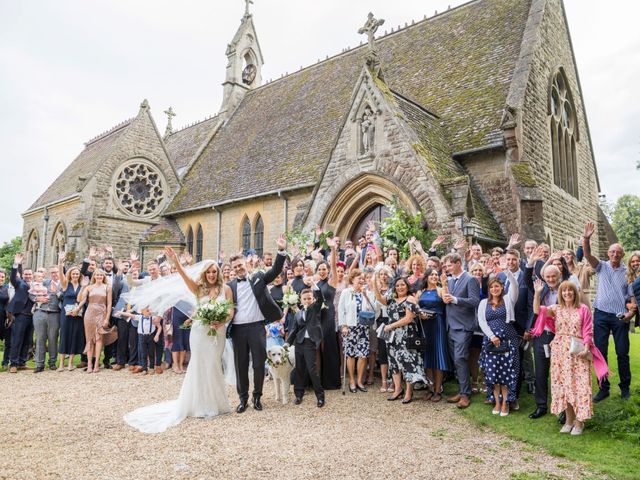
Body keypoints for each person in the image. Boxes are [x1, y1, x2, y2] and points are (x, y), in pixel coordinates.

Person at [123, 248, 234, 433]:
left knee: (214, 364)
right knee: (199, 365)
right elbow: (183, 276)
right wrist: (175, 261)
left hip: (218, 333)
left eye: (214, 271)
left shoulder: (227, 289)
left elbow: (230, 311)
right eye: (209, 272)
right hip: (199, 333)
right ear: (205, 274)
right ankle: (199, 405)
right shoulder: (199, 289)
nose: (212, 274)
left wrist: (221, 321)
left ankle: (218, 404)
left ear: (219, 273)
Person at [531, 281, 608, 435]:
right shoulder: (556, 309)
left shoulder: (583, 309)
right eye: (564, 291)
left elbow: (588, 330)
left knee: (580, 385)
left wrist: (586, 348)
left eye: (570, 290)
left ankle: (579, 423)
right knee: (564, 385)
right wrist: (538, 293)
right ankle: (568, 420)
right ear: (561, 293)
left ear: (575, 293)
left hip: (577, 350)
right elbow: (537, 311)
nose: (567, 293)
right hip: (560, 351)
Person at [228, 234, 287, 413]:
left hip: (257, 327)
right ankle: (243, 398)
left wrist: (281, 250)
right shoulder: (229, 286)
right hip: (238, 330)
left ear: (246, 263)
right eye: (235, 267)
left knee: (259, 364)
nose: (239, 268)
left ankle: (257, 396)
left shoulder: (258, 277)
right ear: (232, 269)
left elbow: (276, 270)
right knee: (241, 365)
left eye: (240, 265)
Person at [582, 221, 630, 401]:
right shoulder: (601, 266)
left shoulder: (627, 272)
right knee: (600, 351)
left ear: (622, 254)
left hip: (619, 317)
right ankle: (604, 388)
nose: (615, 254)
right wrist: (586, 238)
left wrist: (630, 313)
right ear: (608, 254)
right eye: (612, 251)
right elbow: (587, 254)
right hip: (601, 314)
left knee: (622, 352)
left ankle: (625, 388)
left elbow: (631, 296)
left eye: (618, 252)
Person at [374, 276, 427, 404]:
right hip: (392, 337)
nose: (400, 287)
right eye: (397, 285)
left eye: (402, 285)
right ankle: (397, 389)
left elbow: (409, 318)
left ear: (407, 286)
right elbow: (379, 299)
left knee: (407, 362)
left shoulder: (410, 299)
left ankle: (409, 391)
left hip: (406, 335)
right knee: (394, 363)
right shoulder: (392, 299)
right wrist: (375, 285)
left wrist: (390, 326)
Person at [478, 270, 520, 416]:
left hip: (508, 339)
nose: (494, 289)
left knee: (508, 372)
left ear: (502, 287)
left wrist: (507, 271)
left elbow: (514, 285)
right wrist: (491, 336)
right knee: (493, 373)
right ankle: (496, 401)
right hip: (491, 342)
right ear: (488, 289)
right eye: (491, 287)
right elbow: (482, 322)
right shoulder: (484, 303)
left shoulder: (508, 299)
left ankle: (506, 402)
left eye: (497, 286)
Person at [526, 251, 561, 419]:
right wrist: (538, 293)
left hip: (559, 336)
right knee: (540, 372)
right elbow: (535, 310)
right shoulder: (542, 288)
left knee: (559, 373)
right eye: (548, 276)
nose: (551, 279)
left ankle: (562, 408)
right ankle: (541, 406)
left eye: (554, 276)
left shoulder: (566, 290)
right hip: (541, 335)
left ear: (559, 276)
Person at [442, 253, 480, 409]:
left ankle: (465, 395)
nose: (447, 268)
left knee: (460, 358)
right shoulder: (450, 281)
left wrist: (455, 299)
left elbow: (474, 301)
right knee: (457, 361)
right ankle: (462, 390)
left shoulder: (470, 279)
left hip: (464, 326)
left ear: (458, 263)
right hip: (450, 326)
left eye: (450, 265)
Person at [338, 268, 379, 393]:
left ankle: (360, 381)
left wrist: (366, 295)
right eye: (359, 278)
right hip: (350, 327)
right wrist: (343, 325)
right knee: (350, 354)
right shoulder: (346, 292)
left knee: (362, 355)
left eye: (363, 278)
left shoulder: (366, 292)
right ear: (352, 279)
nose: (362, 280)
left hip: (363, 328)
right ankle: (351, 380)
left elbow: (373, 309)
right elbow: (341, 310)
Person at [286, 283, 326, 407]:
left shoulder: (315, 308)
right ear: (301, 300)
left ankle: (320, 396)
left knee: (312, 370)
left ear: (312, 299)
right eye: (305, 299)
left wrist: (314, 285)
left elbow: (320, 298)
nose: (307, 300)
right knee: (299, 369)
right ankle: (298, 395)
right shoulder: (298, 314)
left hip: (310, 343)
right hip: (299, 343)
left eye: (309, 298)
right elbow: (294, 330)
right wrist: (287, 343)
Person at [417, 268, 451, 402]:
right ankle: (430, 388)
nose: (434, 276)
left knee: (438, 357)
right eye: (432, 274)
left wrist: (444, 284)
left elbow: (447, 300)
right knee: (427, 358)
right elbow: (415, 307)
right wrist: (420, 314)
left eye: (436, 275)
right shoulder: (421, 292)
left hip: (437, 325)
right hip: (424, 326)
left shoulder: (440, 289)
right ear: (426, 277)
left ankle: (438, 389)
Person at [76, 269, 115, 373]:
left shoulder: (107, 287)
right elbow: (80, 299)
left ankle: (97, 363)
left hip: (101, 313)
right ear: (94, 276)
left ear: (103, 276)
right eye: (97, 275)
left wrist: (107, 318)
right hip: (89, 314)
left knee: (99, 339)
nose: (99, 276)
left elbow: (109, 304)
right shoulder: (89, 287)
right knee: (89, 340)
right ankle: (89, 363)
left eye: (101, 275)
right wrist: (83, 286)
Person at [7, 253, 35, 373]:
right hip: (21, 315)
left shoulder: (36, 285)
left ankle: (22, 362)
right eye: (26, 274)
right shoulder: (20, 283)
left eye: (30, 274)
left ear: (32, 276)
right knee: (17, 339)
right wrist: (16, 264)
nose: (28, 276)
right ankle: (13, 363)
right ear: (23, 275)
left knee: (27, 340)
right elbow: (13, 278)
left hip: (32, 316)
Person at [56, 254, 84, 371]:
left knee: (74, 335)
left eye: (77, 273)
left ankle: (70, 363)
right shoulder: (65, 284)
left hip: (77, 313)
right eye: (74, 273)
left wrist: (77, 309)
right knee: (64, 335)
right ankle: (61, 363)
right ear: (70, 274)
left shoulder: (83, 285)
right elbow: (60, 274)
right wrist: (60, 262)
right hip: (66, 314)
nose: (75, 275)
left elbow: (83, 299)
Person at [32, 267, 61, 372]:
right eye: (52, 272)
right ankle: (39, 364)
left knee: (53, 339)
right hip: (40, 312)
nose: (54, 274)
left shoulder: (63, 284)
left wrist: (57, 292)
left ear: (59, 272)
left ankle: (52, 362)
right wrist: (37, 298)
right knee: (40, 338)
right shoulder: (43, 282)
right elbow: (31, 292)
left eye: (56, 272)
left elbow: (65, 297)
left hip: (55, 314)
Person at [0, 269, 11, 369]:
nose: (1, 278)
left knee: (8, 342)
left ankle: (5, 362)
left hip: (4, 319)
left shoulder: (7, 288)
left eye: (2, 277)